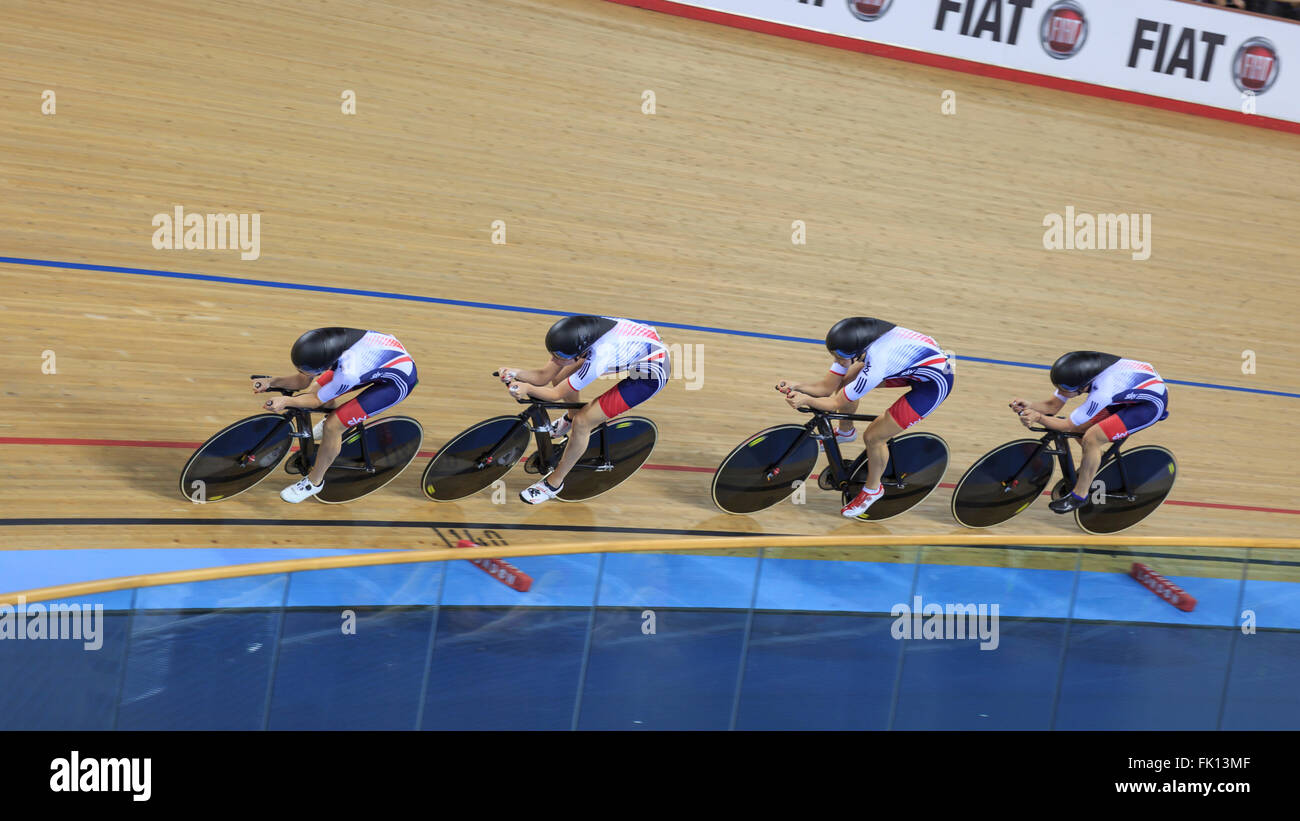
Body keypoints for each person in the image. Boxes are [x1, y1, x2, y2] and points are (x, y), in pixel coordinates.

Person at [780, 317, 953, 519]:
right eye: (835, 356)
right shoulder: (858, 345)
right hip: (914, 365)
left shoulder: (878, 362)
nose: (838, 361)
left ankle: (873, 490)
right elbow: (826, 388)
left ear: (858, 351)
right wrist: (797, 386)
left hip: (934, 384)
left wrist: (806, 400)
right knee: (848, 379)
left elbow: (836, 403)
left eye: (842, 357)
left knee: (874, 437)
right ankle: (846, 431)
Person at [498, 314, 669, 504]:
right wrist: (515, 372)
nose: (555, 359)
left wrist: (527, 388)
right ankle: (568, 419)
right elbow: (544, 377)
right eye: (554, 354)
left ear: (580, 352)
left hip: (649, 376)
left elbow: (554, 394)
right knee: (560, 377)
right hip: (636, 346)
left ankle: (554, 483)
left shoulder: (600, 357)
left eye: (561, 357)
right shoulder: (579, 335)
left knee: (583, 422)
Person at [252, 327, 418, 502]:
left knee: (333, 425)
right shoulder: (330, 341)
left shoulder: (348, 373)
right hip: (374, 361)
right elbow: (303, 380)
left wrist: (285, 401)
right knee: (318, 387)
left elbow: (315, 400)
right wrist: (271, 381)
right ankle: (332, 428)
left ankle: (314, 482)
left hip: (396, 383)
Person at [1011, 351, 1169, 513]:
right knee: (1081, 429)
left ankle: (1080, 495)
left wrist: (1038, 417)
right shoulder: (1083, 372)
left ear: (1083, 385)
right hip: (1127, 392)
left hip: (1147, 407)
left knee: (1092, 438)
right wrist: (1030, 405)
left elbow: (1067, 425)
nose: (1060, 392)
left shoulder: (1103, 392)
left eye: (1064, 389)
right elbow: (1052, 406)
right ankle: (1095, 459)